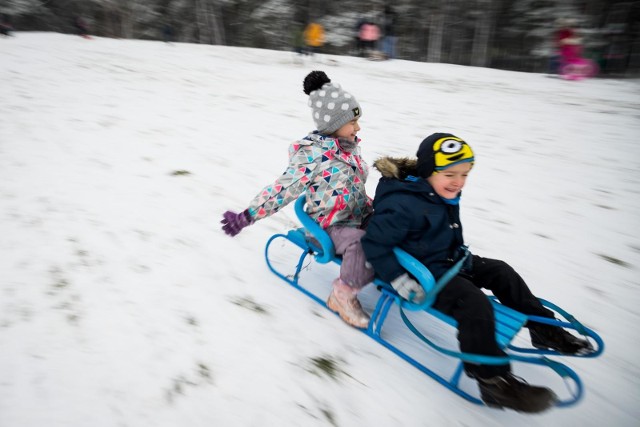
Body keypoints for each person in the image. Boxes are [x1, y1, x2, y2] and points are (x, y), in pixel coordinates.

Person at [361, 133, 592, 413]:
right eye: (450, 174)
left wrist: (460, 255)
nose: (458, 182)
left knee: (501, 272)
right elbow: (374, 242)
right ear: (427, 171)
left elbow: (441, 231)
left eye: (464, 174)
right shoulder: (404, 204)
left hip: (449, 261)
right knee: (473, 303)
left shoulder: (438, 191)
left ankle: (545, 330)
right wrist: (399, 278)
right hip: (423, 276)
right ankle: (493, 382)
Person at [221, 71, 375, 329]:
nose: (358, 127)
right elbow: (282, 190)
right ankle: (342, 295)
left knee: (392, 223)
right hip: (329, 227)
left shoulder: (348, 147)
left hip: (359, 216)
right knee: (362, 244)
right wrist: (247, 216)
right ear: (334, 124)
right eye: (352, 122)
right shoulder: (312, 156)